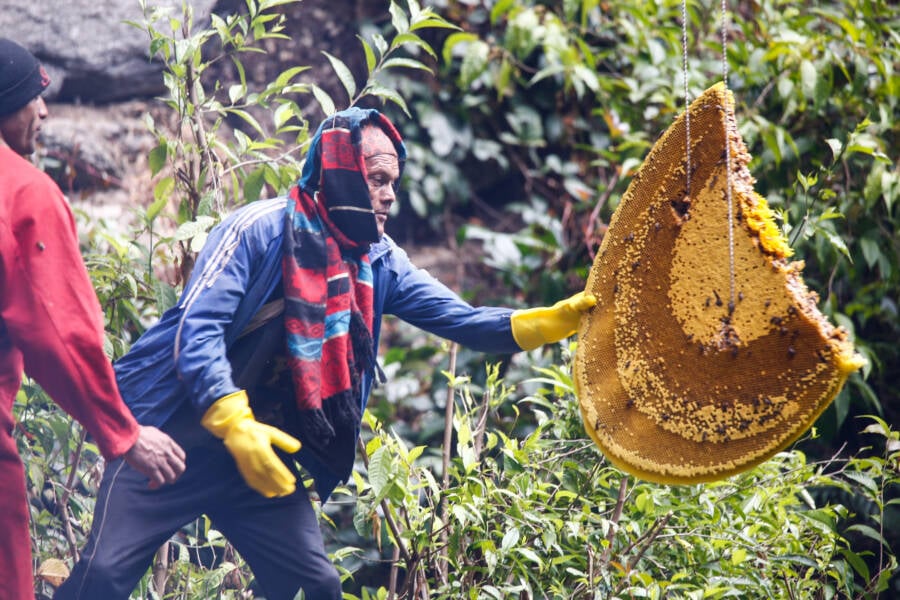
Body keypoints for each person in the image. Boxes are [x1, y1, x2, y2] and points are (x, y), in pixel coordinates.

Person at [56, 107, 595, 599]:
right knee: (101, 578)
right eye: (377, 180)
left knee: (315, 588)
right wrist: (233, 422)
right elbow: (196, 332)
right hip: (171, 440)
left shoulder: (378, 260)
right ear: (339, 171)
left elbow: (466, 321)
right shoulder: (257, 231)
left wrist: (562, 317)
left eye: (393, 184)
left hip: (259, 465)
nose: (388, 196)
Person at [0, 38, 187, 600]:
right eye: (35, 96)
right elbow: (59, 335)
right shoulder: (23, 194)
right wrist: (121, 434)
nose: (45, 112)